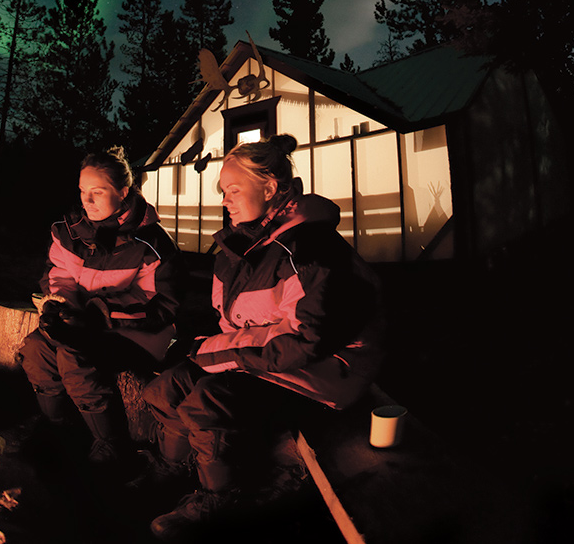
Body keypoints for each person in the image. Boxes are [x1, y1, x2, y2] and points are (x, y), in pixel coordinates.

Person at [143, 133, 385, 539]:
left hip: (329, 370)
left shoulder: (309, 249)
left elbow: (308, 338)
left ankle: (220, 499)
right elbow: (235, 324)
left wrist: (219, 353)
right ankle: (173, 471)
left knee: (208, 400)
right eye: (223, 191)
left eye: (233, 190)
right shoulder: (242, 248)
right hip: (275, 358)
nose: (225, 200)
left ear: (270, 188)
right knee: (167, 388)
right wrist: (217, 353)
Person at [20, 146, 183, 480]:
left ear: (123, 192)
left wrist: (99, 314)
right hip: (85, 323)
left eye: (97, 192)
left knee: (73, 357)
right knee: (36, 348)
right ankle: (60, 428)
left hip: (138, 334)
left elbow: (160, 303)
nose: (87, 201)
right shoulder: (70, 230)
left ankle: (111, 444)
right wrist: (58, 304)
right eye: (82, 191)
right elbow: (60, 274)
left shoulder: (150, 243)